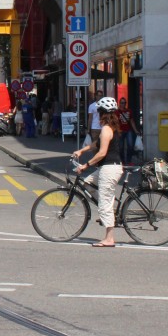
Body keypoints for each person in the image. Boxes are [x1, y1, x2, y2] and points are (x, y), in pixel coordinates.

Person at [72, 96, 123, 247]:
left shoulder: (106, 129)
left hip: (109, 168)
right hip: (107, 168)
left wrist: (85, 165)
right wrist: (82, 150)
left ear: (102, 113)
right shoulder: (108, 128)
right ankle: (108, 207)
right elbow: (97, 143)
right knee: (87, 184)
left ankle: (109, 238)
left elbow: (101, 153)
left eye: (98, 112)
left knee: (105, 203)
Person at [117, 97, 140, 164]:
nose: (123, 104)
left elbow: (132, 121)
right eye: (122, 103)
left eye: (124, 103)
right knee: (121, 147)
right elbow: (115, 122)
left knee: (130, 145)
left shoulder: (129, 111)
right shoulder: (116, 112)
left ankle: (129, 160)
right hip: (120, 131)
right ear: (119, 103)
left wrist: (135, 130)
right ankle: (123, 161)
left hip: (128, 130)